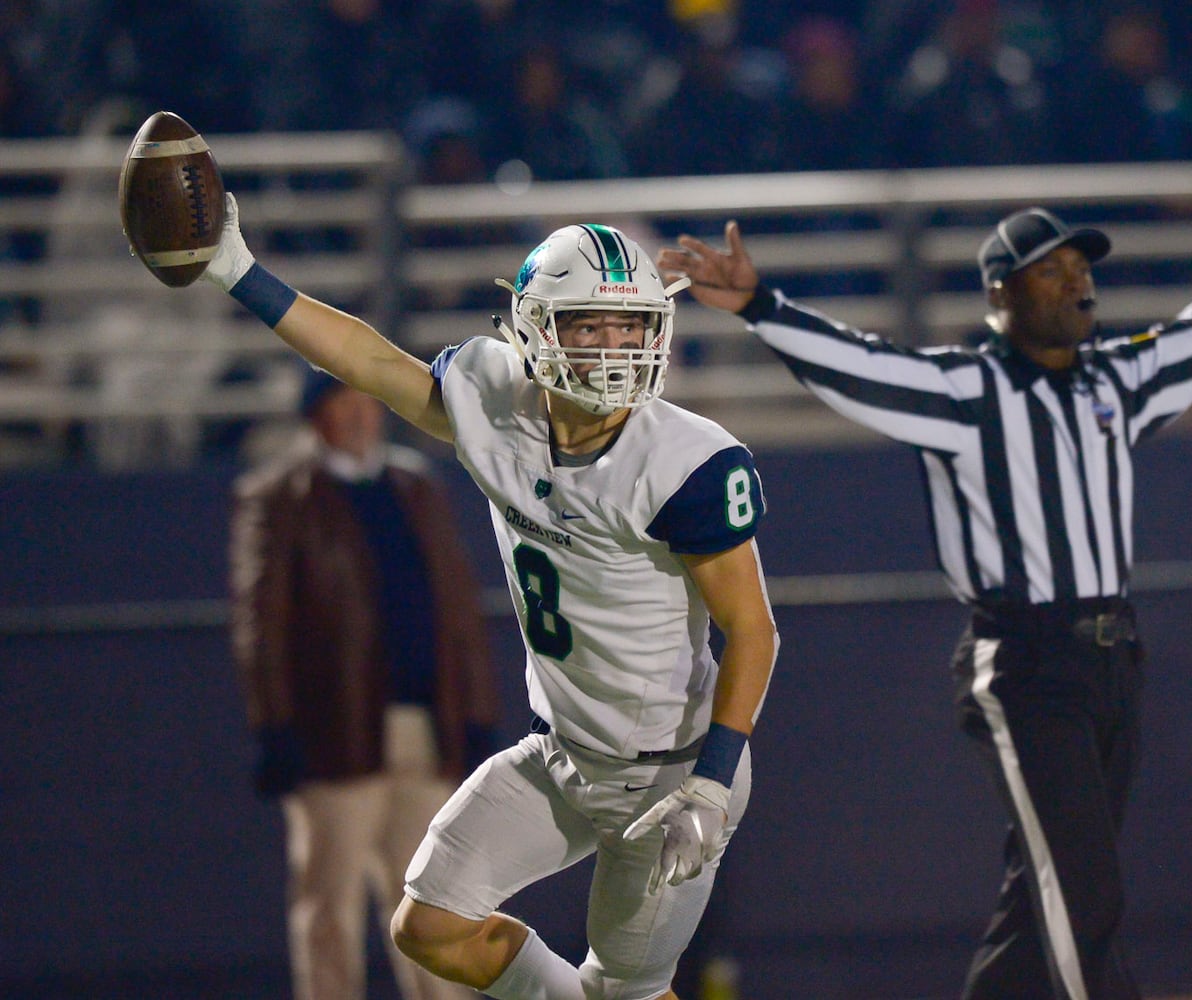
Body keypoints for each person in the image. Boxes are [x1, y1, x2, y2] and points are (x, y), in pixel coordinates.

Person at [658, 207, 1192, 999]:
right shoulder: (966, 392)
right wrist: (763, 307)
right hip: (1027, 663)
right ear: (1000, 296)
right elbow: (861, 365)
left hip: (1115, 657)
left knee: (1039, 900)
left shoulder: (1117, 377)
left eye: (1082, 269)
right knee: (1082, 891)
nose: (1079, 284)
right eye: (1053, 271)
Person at [204, 193, 778, 1000]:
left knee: (628, 988)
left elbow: (752, 630)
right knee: (427, 927)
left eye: (628, 326)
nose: (613, 347)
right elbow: (365, 361)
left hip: (670, 774)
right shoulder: (496, 402)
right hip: (563, 753)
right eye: (586, 324)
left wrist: (711, 786)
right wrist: (237, 272)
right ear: (536, 329)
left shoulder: (686, 460)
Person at [230, 366, 501, 1000]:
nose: (358, 415)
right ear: (313, 416)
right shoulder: (280, 495)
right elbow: (260, 624)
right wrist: (274, 727)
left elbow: (457, 608)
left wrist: (474, 711)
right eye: (340, 403)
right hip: (338, 731)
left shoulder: (415, 487)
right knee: (330, 904)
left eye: (366, 401)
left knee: (435, 903)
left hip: (422, 727)